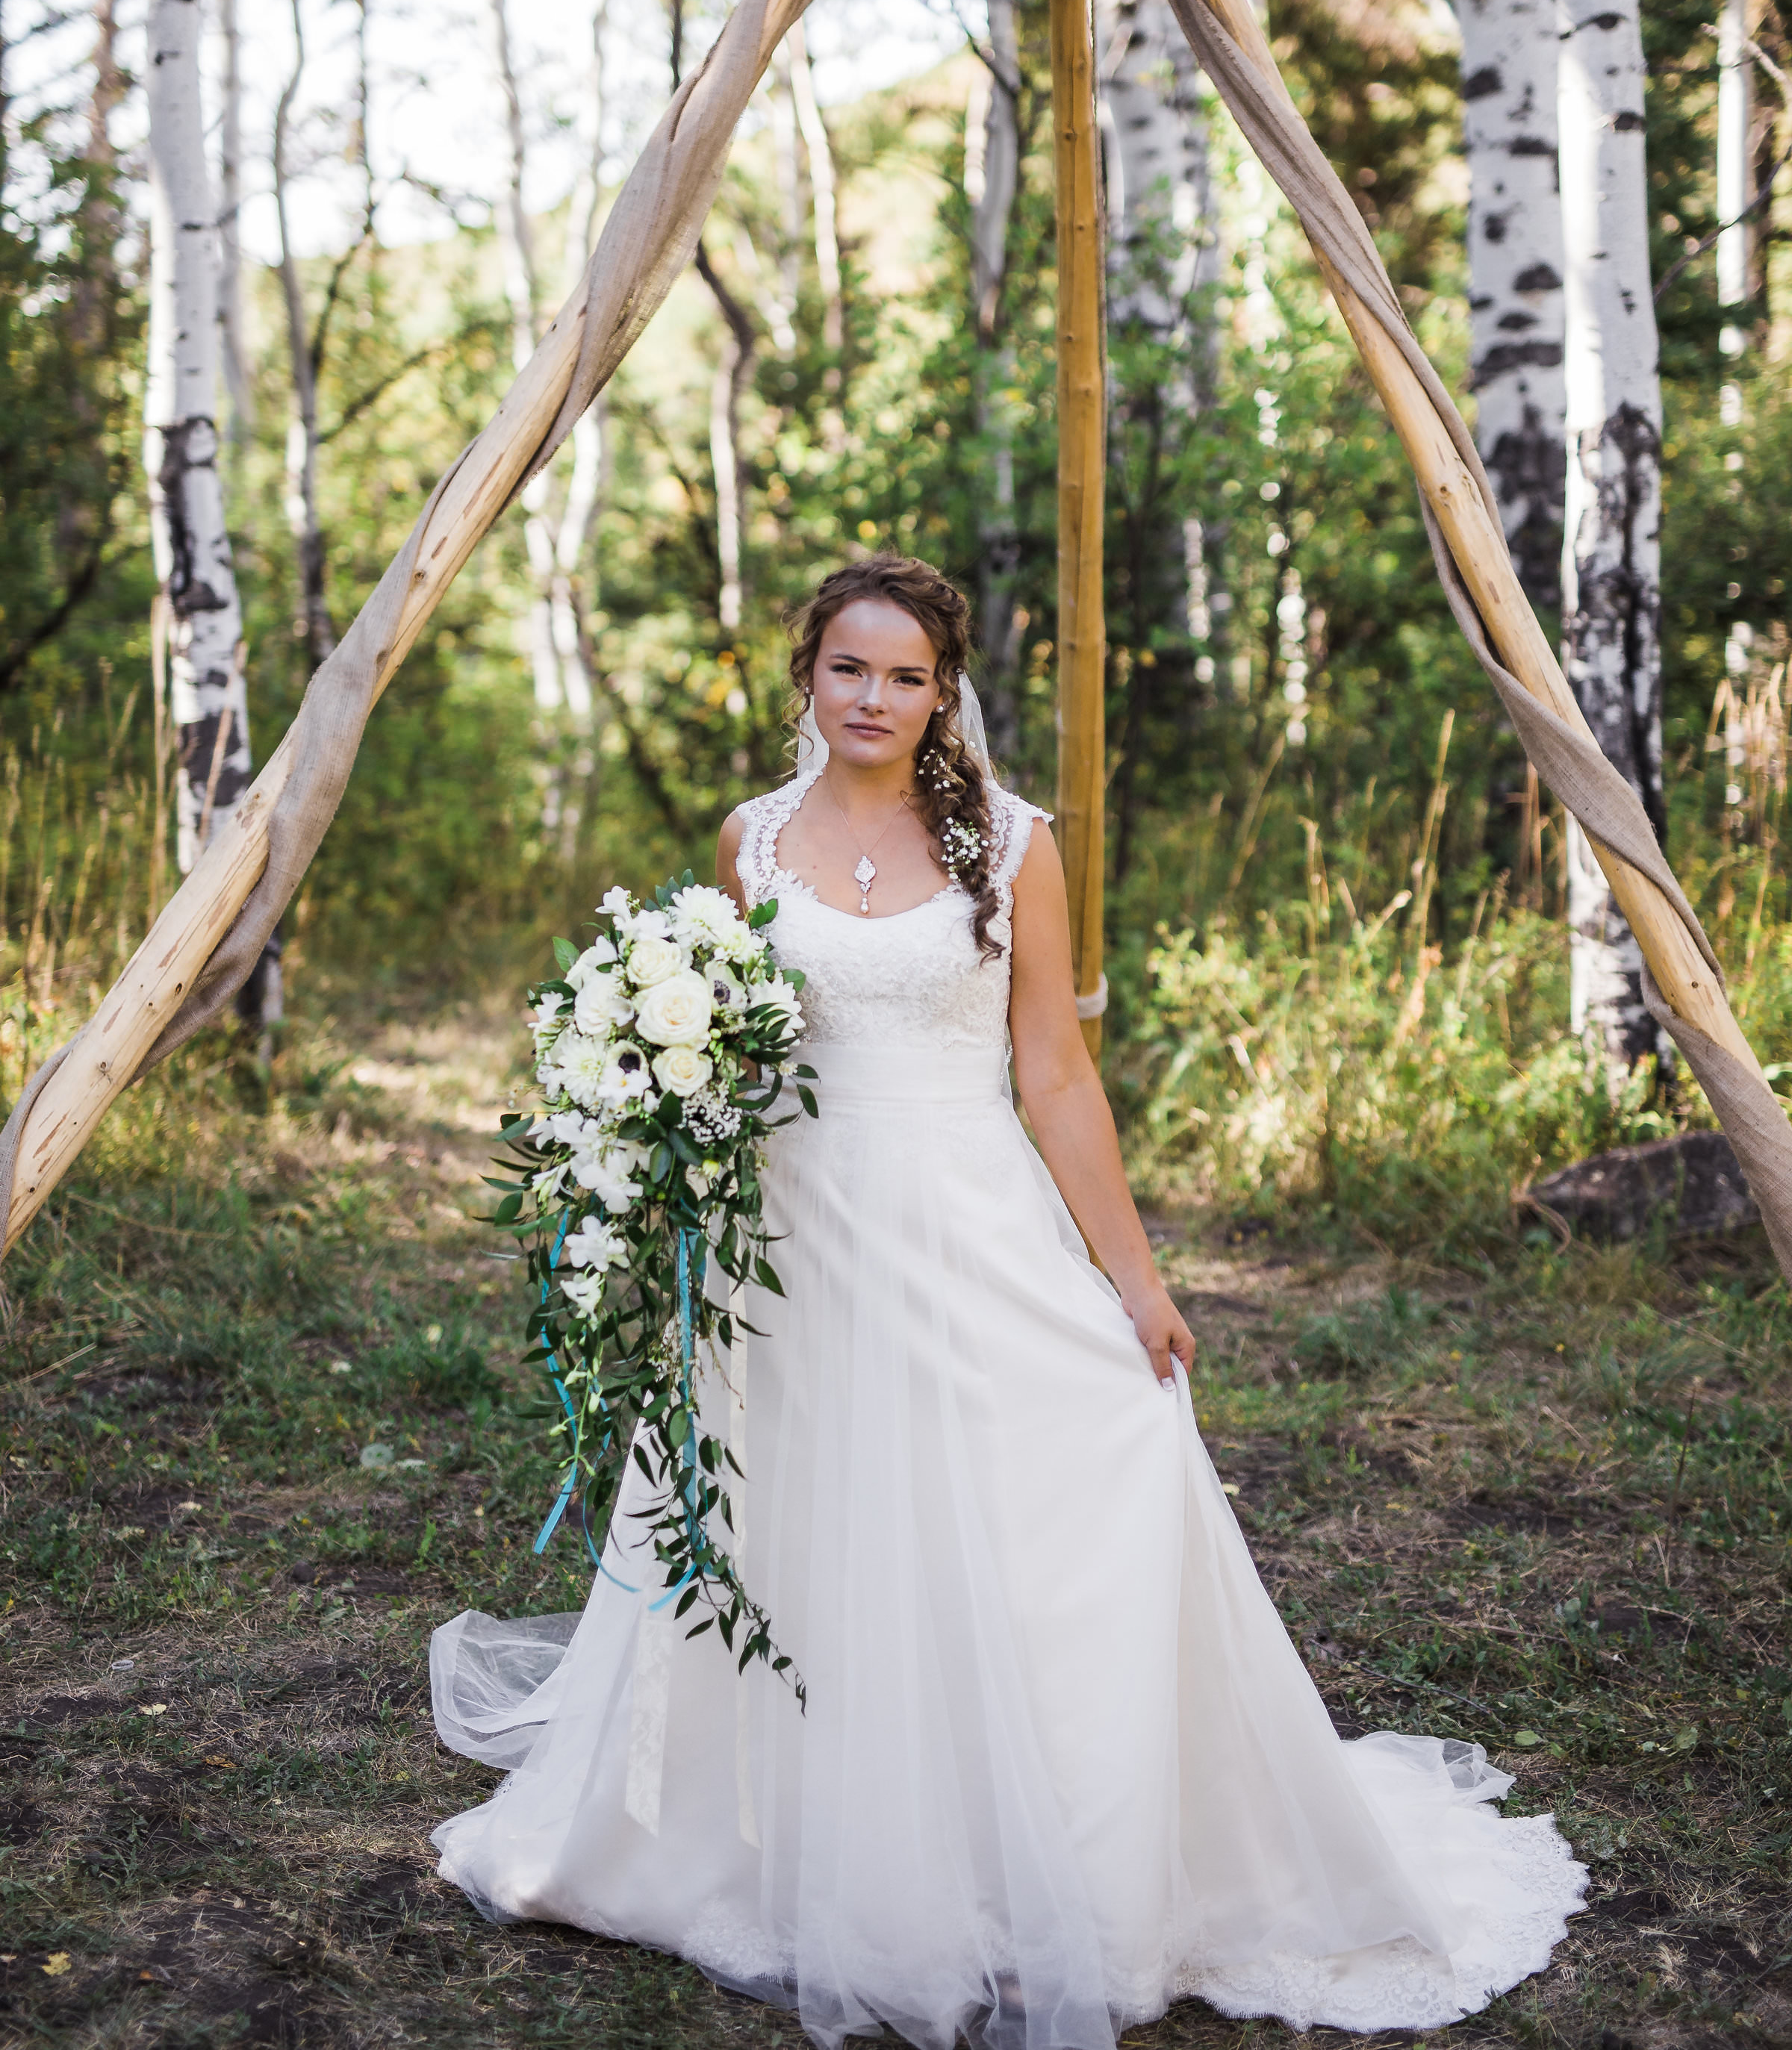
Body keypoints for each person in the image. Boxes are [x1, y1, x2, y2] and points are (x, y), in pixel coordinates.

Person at [430, 553, 1585, 2046]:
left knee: (1029, 1497)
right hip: (788, 1239)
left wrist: (1139, 1278)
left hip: (963, 1218)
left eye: (907, 676)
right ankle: (780, 1836)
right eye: (851, 668)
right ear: (810, 676)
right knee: (807, 1530)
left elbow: (1055, 1071)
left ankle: (1040, 1860)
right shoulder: (749, 841)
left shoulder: (1010, 844)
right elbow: (720, 1052)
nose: (875, 698)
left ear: (944, 693)